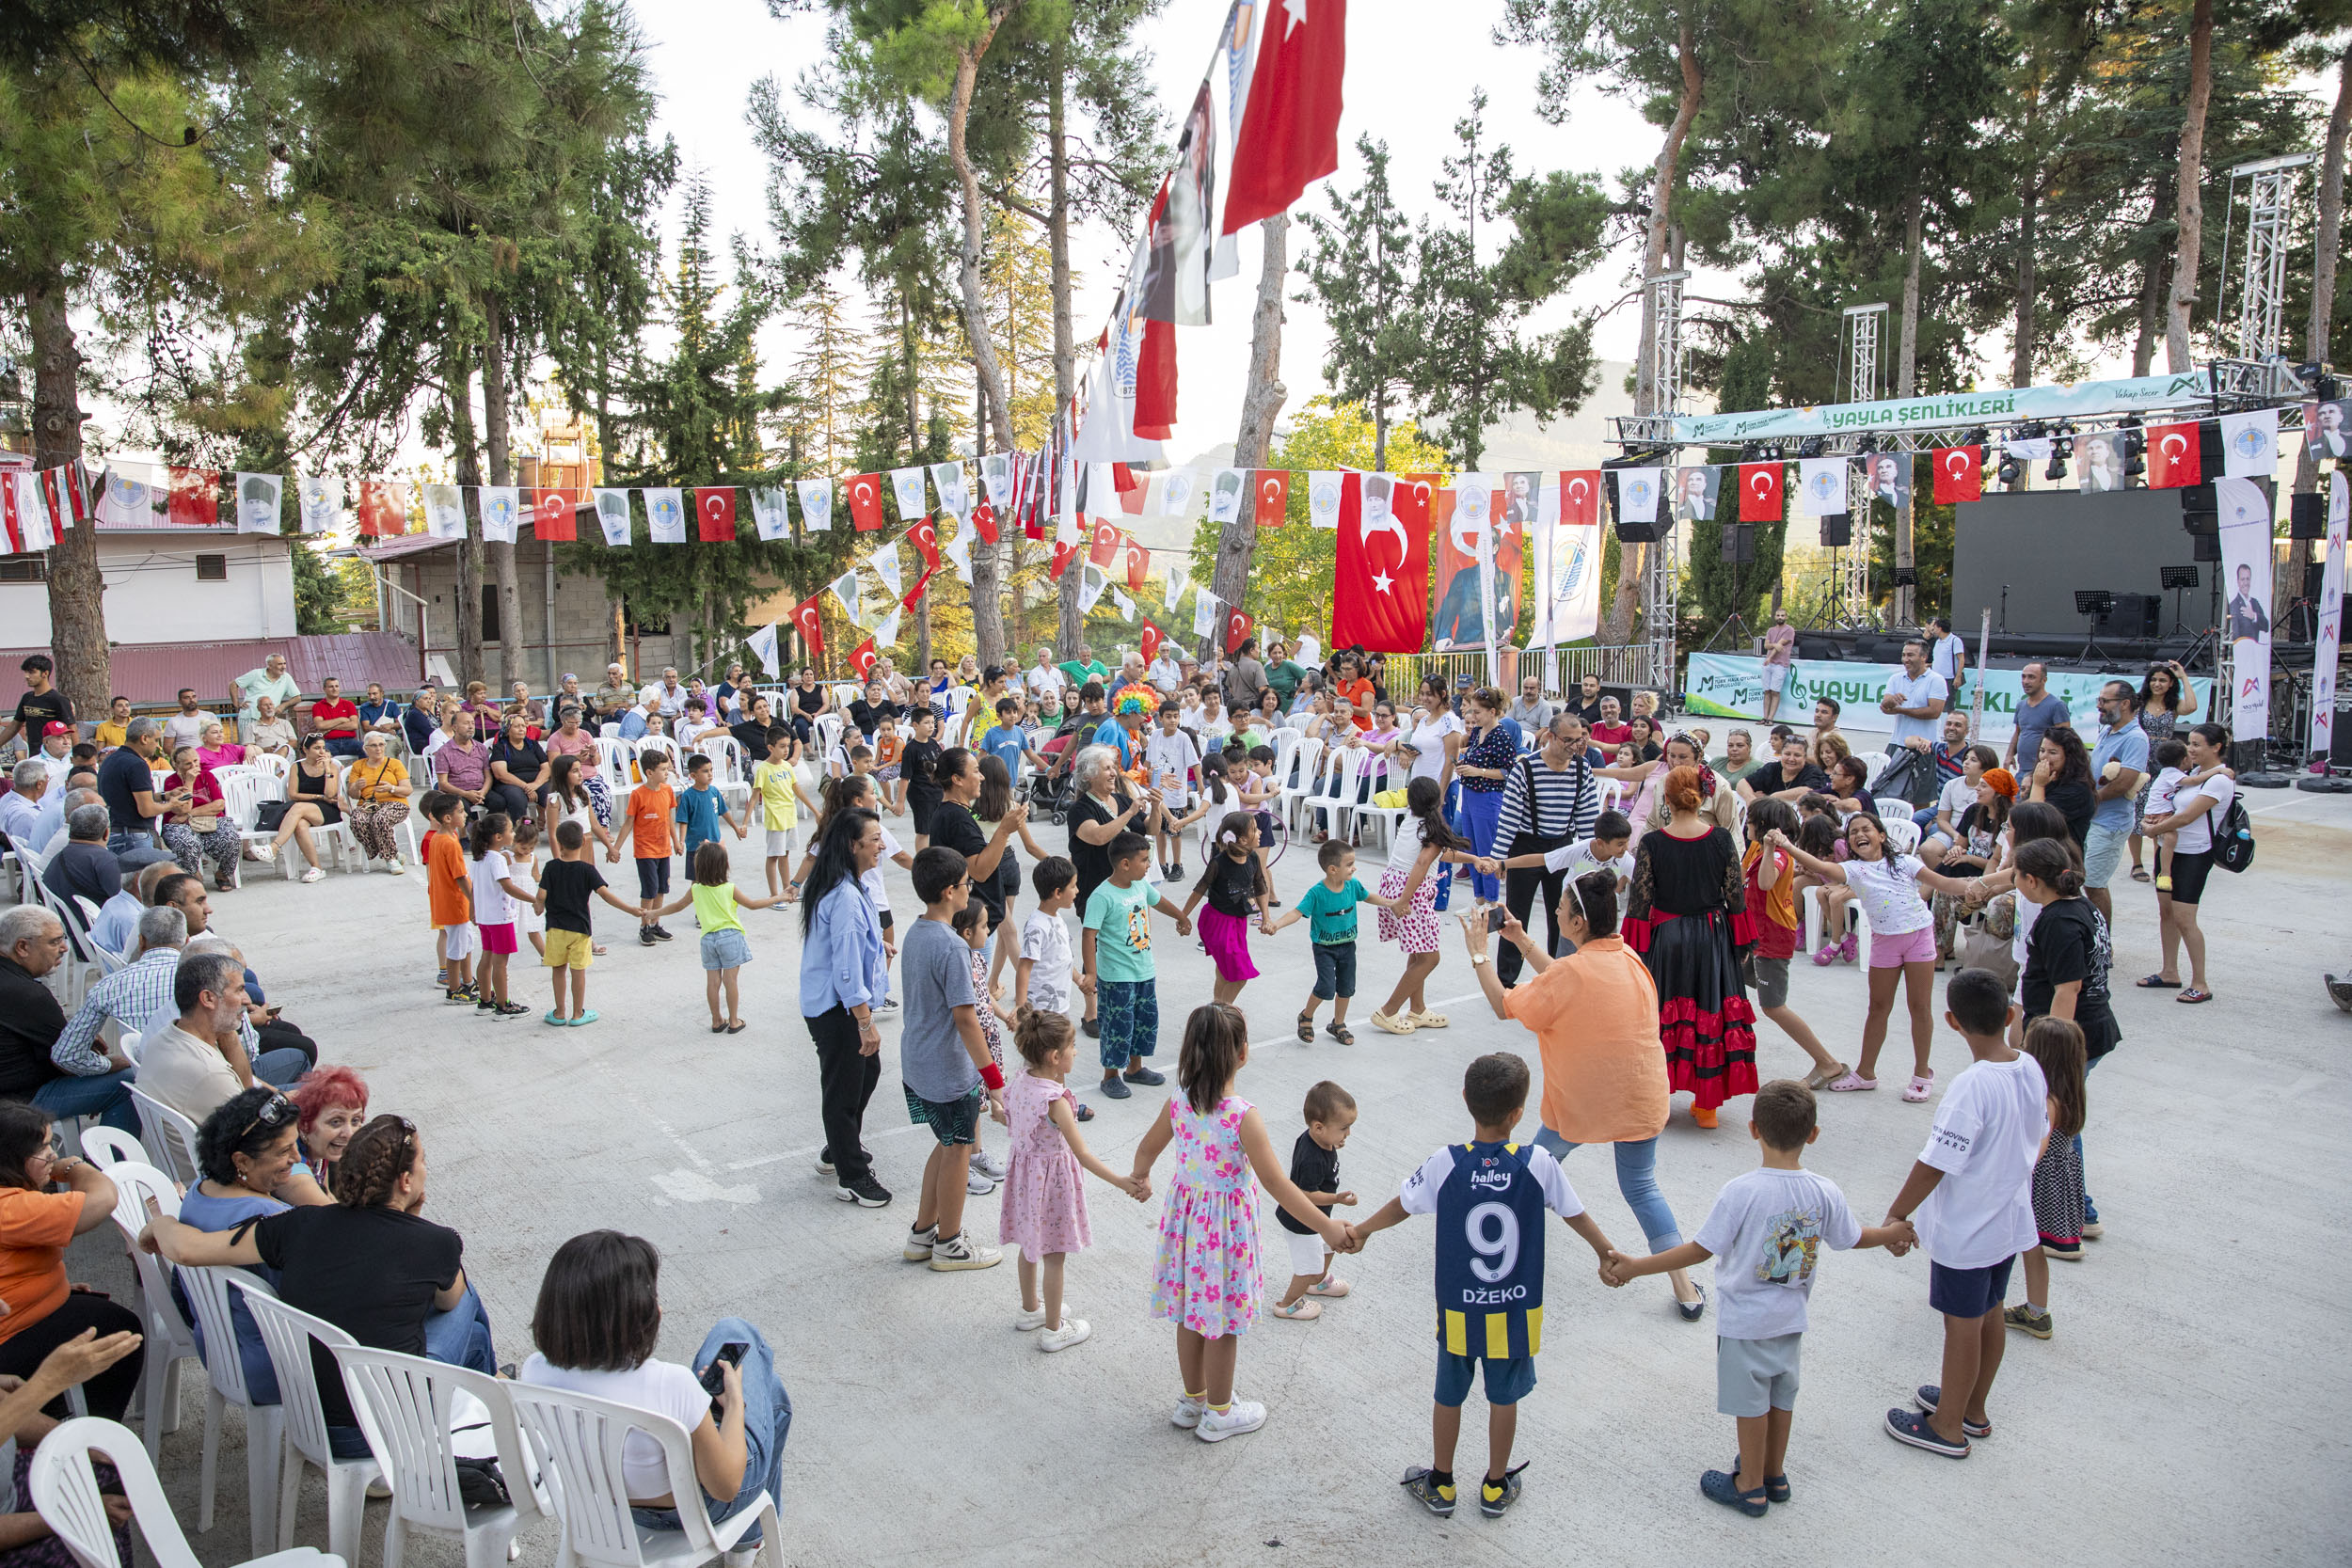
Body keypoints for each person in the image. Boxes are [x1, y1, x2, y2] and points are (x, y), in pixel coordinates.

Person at [1604, 1080, 1915, 1515]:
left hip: (1745, 1323)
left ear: (1753, 1129)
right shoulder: (1825, 1191)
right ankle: (1773, 1472)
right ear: (1813, 1133)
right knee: (1780, 1397)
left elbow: (1700, 1249)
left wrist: (1637, 1266)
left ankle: (1749, 1486)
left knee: (1750, 1404)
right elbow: (1852, 1237)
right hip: (1791, 1318)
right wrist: (1891, 1235)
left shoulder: (1741, 1192)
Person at [1348, 1052, 1616, 1516]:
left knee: (1448, 1393)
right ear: (1518, 1114)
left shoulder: (1445, 1163)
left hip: (1459, 1308)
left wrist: (1363, 1231)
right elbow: (1575, 1213)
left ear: (1467, 1100)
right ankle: (1495, 1485)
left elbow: (1402, 1204)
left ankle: (1442, 1482)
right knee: (1504, 1396)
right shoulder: (1539, 1162)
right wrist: (1606, 1253)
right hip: (1514, 1309)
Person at [142, 1114, 499, 1461]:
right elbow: (448, 1302)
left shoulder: (295, 1224)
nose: (426, 1169)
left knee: (463, 1325)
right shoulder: (436, 1242)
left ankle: (492, 1401)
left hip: (310, 1417)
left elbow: (188, 1249)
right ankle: (489, 1417)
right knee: (470, 1310)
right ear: (406, 1181)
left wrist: (160, 1224)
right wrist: (423, 1232)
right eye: (423, 1162)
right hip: (383, 1430)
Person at [1129, 1003, 1350, 1444]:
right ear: (1243, 1053)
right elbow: (1277, 1184)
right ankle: (1220, 1413)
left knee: (1191, 1314)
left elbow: (1147, 1148)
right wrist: (1325, 1227)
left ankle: (1192, 1401)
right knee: (1223, 1322)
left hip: (1188, 1227)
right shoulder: (1242, 1114)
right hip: (1224, 1234)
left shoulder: (1179, 1102)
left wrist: (1140, 1178)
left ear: (1190, 1053)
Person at [517, 1230, 790, 1553]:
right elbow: (726, 1486)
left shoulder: (534, 1370)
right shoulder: (671, 1385)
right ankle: (747, 1539)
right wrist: (733, 1405)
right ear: (639, 1318)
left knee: (758, 1387)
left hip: (603, 1506)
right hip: (694, 1512)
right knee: (747, 1352)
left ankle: (748, 1537)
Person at [1878, 969, 2044, 1459]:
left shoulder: (1972, 1086)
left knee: (1962, 1324)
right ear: (2011, 1015)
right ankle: (1972, 1407)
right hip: (2008, 1218)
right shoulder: (2029, 1067)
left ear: (1952, 1022)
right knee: (1990, 1310)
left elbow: (1936, 1162)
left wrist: (1897, 1213)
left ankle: (1947, 1427)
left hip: (1968, 1227)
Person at [999, 1007, 1144, 1351]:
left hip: (1024, 1178)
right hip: (1052, 1184)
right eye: (1072, 1046)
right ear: (1054, 1056)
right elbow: (1083, 1154)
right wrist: (1122, 1181)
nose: (1076, 1052)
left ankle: (1030, 1309)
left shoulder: (1020, 1080)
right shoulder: (1056, 1101)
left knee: (1030, 1246)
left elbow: (1008, 1118)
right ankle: (1053, 1329)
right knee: (1054, 1254)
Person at [1622, 766, 1758, 1130]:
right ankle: (1707, 1106)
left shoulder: (1652, 842)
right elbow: (1735, 896)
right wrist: (1741, 939)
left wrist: (1635, 947)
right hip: (1712, 935)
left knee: (1666, 1015)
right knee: (1710, 1009)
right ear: (1704, 796)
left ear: (1666, 798)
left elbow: (1640, 900)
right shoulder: (1721, 840)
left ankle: (1658, 1098)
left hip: (1668, 937)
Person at [897, 847, 1007, 1273]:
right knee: (960, 1150)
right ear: (949, 892)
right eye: (965, 884)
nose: (970, 889)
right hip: (947, 1069)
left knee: (945, 1145)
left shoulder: (917, 931)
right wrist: (994, 1080)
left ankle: (922, 1233)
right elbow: (966, 1018)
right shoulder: (953, 947)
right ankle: (950, 1244)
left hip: (918, 1062)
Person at [0, 1102, 144, 1419]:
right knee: (118, 1333)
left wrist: (54, 1287)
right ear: (11, 1160)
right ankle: (87, 1436)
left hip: (21, 1322)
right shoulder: (10, 1207)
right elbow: (103, 1199)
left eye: (53, 1143)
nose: (52, 1154)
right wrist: (75, 1166)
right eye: (42, 1149)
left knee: (106, 1322)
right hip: (7, 1343)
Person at [1738, 800, 1846, 1089]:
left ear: (1764, 826)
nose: (1745, 825)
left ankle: (1827, 1062)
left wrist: (1772, 847)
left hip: (1771, 939)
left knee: (1774, 1007)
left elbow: (1764, 883)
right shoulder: (1756, 849)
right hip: (1753, 936)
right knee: (1729, 988)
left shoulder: (1778, 854)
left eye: (1750, 821)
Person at [0, 907, 137, 1134]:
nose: (64, 948)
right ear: (23, 947)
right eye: (54, 942)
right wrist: (117, 1064)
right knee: (127, 1082)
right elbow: (70, 1061)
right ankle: (113, 1164)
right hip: (17, 1103)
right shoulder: (28, 995)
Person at [1368, 778, 1483, 1037]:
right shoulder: (1433, 827)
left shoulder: (1414, 821)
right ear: (1439, 800)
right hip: (1411, 892)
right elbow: (1421, 864)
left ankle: (1417, 1010)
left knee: (1419, 952)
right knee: (1431, 958)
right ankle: (1387, 1011)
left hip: (1395, 883)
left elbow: (1437, 854)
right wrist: (1405, 900)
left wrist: (1473, 859)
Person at [1082, 832, 1189, 1101]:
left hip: (1144, 970)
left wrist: (1180, 916)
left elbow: (1158, 901)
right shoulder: (1102, 896)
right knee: (1117, 1026)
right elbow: (1089, 935)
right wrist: (1092, 973)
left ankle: (1135, 1068)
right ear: (1125, 864)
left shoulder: (1140, 886)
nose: (1148, 865)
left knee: (1144, 1022)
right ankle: (1110, 1076)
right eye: (1144, 860)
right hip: (1116, 976)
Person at [2003, 1016, 2090, 1341]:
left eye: (2027, 1046)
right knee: (2032, 1248)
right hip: (2057, 1179)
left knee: (2021, 1243)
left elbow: (2036, 1150)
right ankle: (2036, 1311)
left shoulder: (2048, 1101)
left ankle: (2002, 1301)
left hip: (2039, 1184)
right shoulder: (2071, 1091)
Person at [1271, 841, 1401, 1046]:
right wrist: (1276, 925)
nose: (1354, 868)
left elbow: (1368, 897)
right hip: (1324, 948)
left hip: (1348, 946)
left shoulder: (1353, 885)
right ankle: (1306, 1016)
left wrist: (1391, 903)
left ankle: (1338, 1024)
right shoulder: (1317, 893)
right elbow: (1297, 912)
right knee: (1325, 987)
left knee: (1347, 987)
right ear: (1333, 870)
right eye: (1349, 864)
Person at [654, 843, 780, 1035]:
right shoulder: (729, 888)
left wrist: (653, 912)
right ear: (723, 866)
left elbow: (677, 906)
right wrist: (778, 898)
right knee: (731, 981)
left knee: (713, 982)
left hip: (707, 940)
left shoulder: (696, 889)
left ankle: (716, 1020)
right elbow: (753, 905)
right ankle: (734, 1021)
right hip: (730, 936)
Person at [1263, 1081, 1358, 1323]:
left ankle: (1318, 1281)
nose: (1347, 1134)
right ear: (1318, 1127)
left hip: (1318, 1218)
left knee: (1329, 1245)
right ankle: (1288, 1304)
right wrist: (1337, 1198)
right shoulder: (1312, 1158)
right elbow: (1305, 1194)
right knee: (1307, 1265)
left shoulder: (1321, 1140)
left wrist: (1334, 1140)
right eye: (1344, 1128)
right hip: (1301, 1220)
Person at [534, 819, 638, 1026]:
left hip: (555, 928)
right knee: (578, 971)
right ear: (583, 841)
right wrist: (631, 909)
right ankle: (577, 1013)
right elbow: (605, 895)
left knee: (558, 969)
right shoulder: (587, 870)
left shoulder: (551, 867)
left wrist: (538, 907)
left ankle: (559, 1012)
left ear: (559, 843)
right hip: (580, 929)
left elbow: (541, 895)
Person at [2126, 659, 2200, 880]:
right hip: (2142, 758)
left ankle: (2160, 863)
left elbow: (2192, 707)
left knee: (2164, 811)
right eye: (2154, 680)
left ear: (2170, 684)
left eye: (2163, 680)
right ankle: (2137, 863)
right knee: (2138, 810)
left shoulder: (2173, 705)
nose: (2157, 684)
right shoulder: (2139, 703)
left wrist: (2183, 676)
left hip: (2166, 761)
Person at [607, 751, 677, 945]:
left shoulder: (668, 791)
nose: (666, 772)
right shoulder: (638, 794)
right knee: (649, 890)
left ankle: (656, 923)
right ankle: (644, 926)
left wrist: (677, 841)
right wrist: (616, 848)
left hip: (664, 849)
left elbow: (670, 819)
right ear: (649, 772)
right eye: (662, 770)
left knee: (662, 889)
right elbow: (629, 822)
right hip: (646, 850)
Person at [419, 793, 476, 1002]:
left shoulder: (440, 837)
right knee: (456, 948)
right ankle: (454, 989)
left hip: (450, 900)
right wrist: (474, 902)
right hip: (455, 903)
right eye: (460, 811)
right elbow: (460, 877)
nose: (465, 814)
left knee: (466, 943)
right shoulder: (450, 842)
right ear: (447, 818)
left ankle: (468, 980)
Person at [287, 1065, 371, 1192]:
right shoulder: (293, 1169)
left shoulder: (319, 1148)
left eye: (355, 1120)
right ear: (305, 1124)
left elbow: (327, 1194)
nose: (349, 1134)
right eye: (336, 1122)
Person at [339, 731, 411, 875]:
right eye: (373, 746)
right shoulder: (358, 766)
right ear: (365, 749)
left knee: (380, 819)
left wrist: (391, 788)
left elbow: (407, 790)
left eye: (381, 745)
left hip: (394, 802)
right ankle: (392, 853)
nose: (378, 749)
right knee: (356, 820)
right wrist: (356, 787)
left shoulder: (394, 763)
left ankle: (390, 859)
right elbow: (353, 795)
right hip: (368, 804)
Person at [43, 805, 122, 918]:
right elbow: (126, 904)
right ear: (106, 833)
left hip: (69, 926)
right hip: (94, 929)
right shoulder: (106, 861)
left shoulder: (59, 856)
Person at [2024, 725, 2096, 847]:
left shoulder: (2078, 789)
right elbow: (2020, 813)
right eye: (2042, 751)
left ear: (2069, 756)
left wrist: (2038, 785)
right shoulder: (2048, 779)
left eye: (2052, 752)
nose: (2044, 757)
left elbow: (2037, 821)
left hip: (2060, 858)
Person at [2003, 662, 2069, 773]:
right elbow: (2018, 733)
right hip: (2022, 771)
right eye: (2023, 677)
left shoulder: (2057, 706)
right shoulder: (2021, 705)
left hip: (2044, 772)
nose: (2026, 681)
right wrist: (2009, 755)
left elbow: (2066, 740)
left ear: (2044, 680)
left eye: (2031, 677)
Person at [230, 653, 298, 736]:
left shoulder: (286, 677)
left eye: (284, 663)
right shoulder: (256, 674)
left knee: (268, 746)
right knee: (247, 747)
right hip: (249, 717)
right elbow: (233, 684)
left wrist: (283, 706)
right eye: (279, 664)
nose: (283, 667)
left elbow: (297, 697)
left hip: (269, 719)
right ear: (269, 665)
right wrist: (236, 704)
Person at [1757, 607, 1798, 722]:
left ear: (1786, 617)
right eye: (1778, 615)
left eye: (1782, 615)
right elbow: (1767, 646)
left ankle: (1771, 718)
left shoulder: (1789, 630)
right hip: (1768, 664)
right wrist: (1774, 646)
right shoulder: (1771, 630)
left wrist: (1770, 656)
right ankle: (1764, 717)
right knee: (1767, 691)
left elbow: (1780, 645)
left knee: (1775, 691)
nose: (1780, 617)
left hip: (1780, 664)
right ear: (1775, 617)